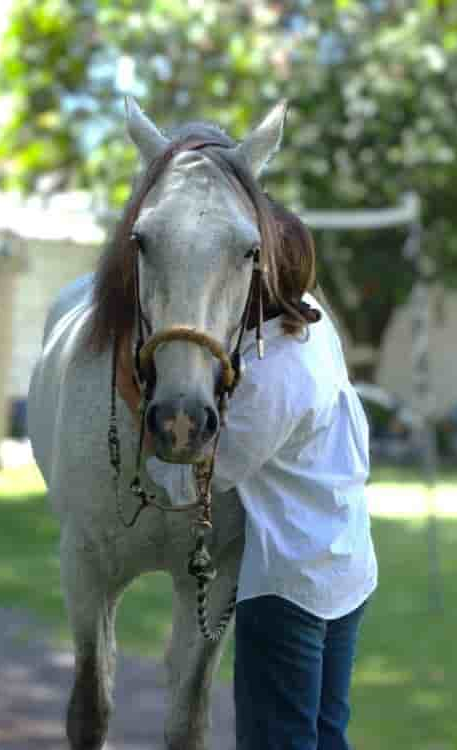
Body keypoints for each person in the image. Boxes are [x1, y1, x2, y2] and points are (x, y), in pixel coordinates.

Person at [116, 198, 377, 750]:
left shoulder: (272, 379)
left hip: (291, 584)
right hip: (348, 565)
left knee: (276, 739)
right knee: (327, 734)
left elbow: (189, 485)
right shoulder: (312, 318)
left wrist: (140, 410)